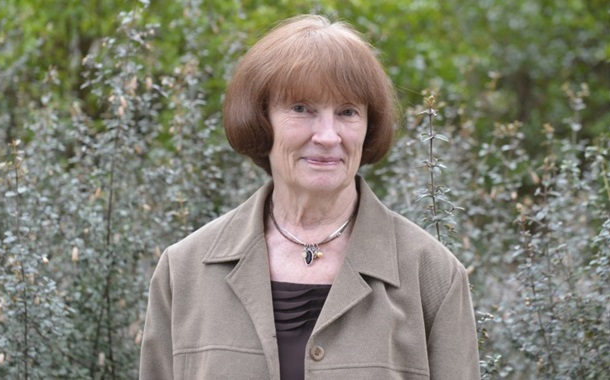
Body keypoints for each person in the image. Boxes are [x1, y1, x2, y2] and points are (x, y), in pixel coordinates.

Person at [140, 14, 480, 380]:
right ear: (261, 119)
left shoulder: (432, 277)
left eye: (347, 112)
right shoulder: (185, 271)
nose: (328, 135)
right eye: (302, 109)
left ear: (368, 127)